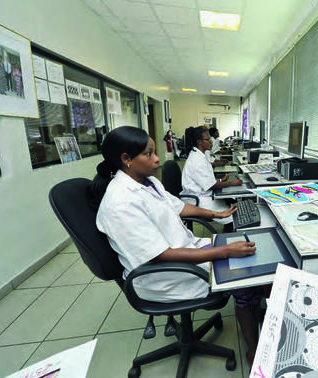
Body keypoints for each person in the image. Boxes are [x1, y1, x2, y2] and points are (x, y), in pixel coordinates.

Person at [90, 126, 262, 364]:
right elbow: (161, 255)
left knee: (250, 257)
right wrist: (223, 252)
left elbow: (180, 206)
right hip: (164, 274)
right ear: (126, 159)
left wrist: (216, 216)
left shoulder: (147, 182)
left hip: (185, 252)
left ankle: (258, 315)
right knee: (244, 276)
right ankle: (256, 352)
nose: (157, 158)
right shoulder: (120, 203)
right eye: (148, 154)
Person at [181, 127, 242, 232]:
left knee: (231, 203)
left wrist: (221, 181)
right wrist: (232, 182)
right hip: (198, 199)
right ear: (199, 142)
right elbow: (211, 185)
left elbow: (206, 180)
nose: (211, 142)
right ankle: (226, 242)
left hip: (202, 193)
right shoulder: (197, 160)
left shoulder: (199, 155)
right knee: (232, 217)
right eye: (208, 139)